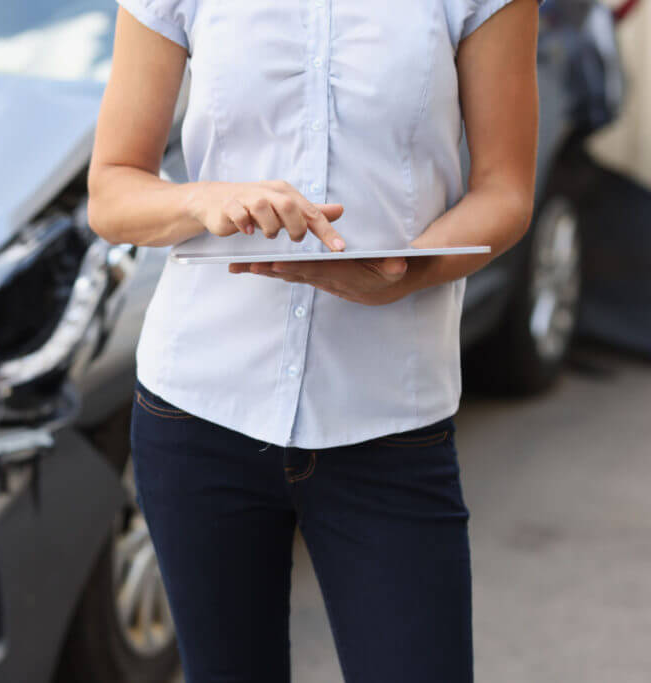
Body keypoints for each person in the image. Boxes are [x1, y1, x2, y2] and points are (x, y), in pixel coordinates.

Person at [87, 0, 541, 681]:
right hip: (198, 415)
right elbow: (111, 190)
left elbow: (505, 189)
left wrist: (405, 272)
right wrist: (198, 200)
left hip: (389, 420)